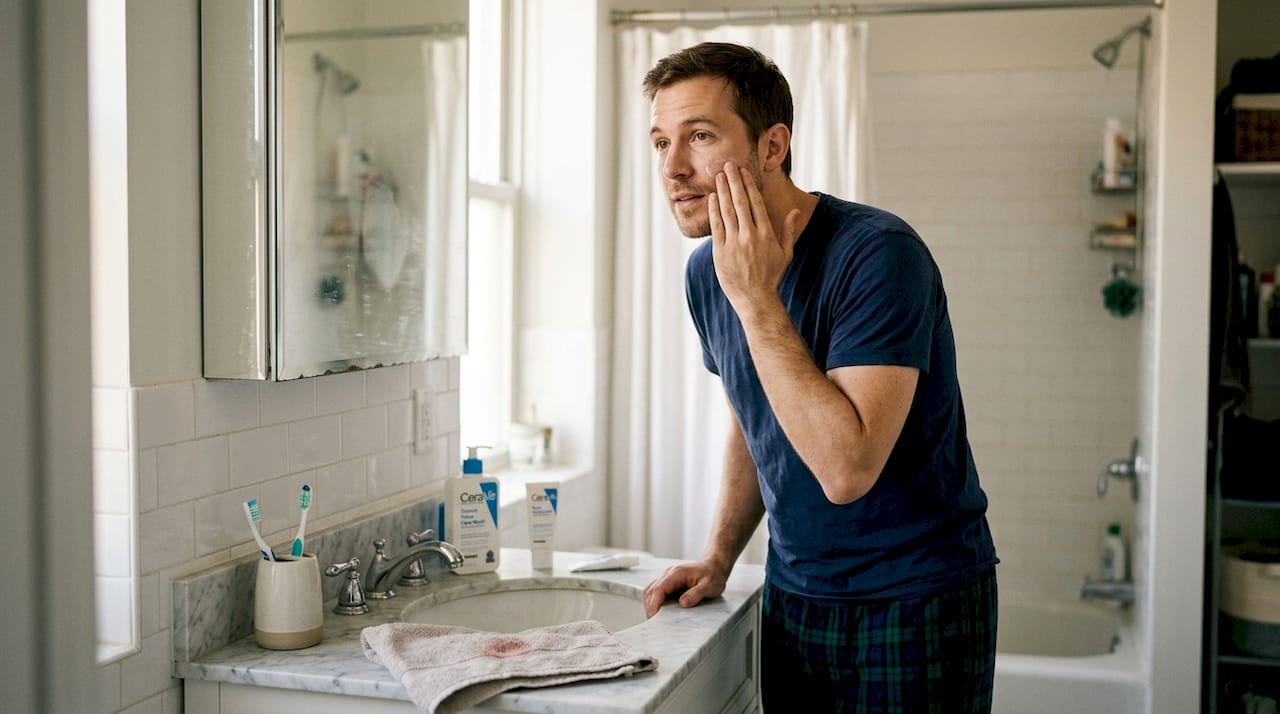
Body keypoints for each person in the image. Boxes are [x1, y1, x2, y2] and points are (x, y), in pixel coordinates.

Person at [639, 42, 999, 712]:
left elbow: (846, 470)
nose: (673, 168)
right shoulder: (705, 273)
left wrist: (756, 300)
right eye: (661, 142)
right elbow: (755, 421)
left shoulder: (879, 255)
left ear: (772, 147)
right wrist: (719, 556)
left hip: (916, 602)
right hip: (798, 597)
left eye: (700, 136)